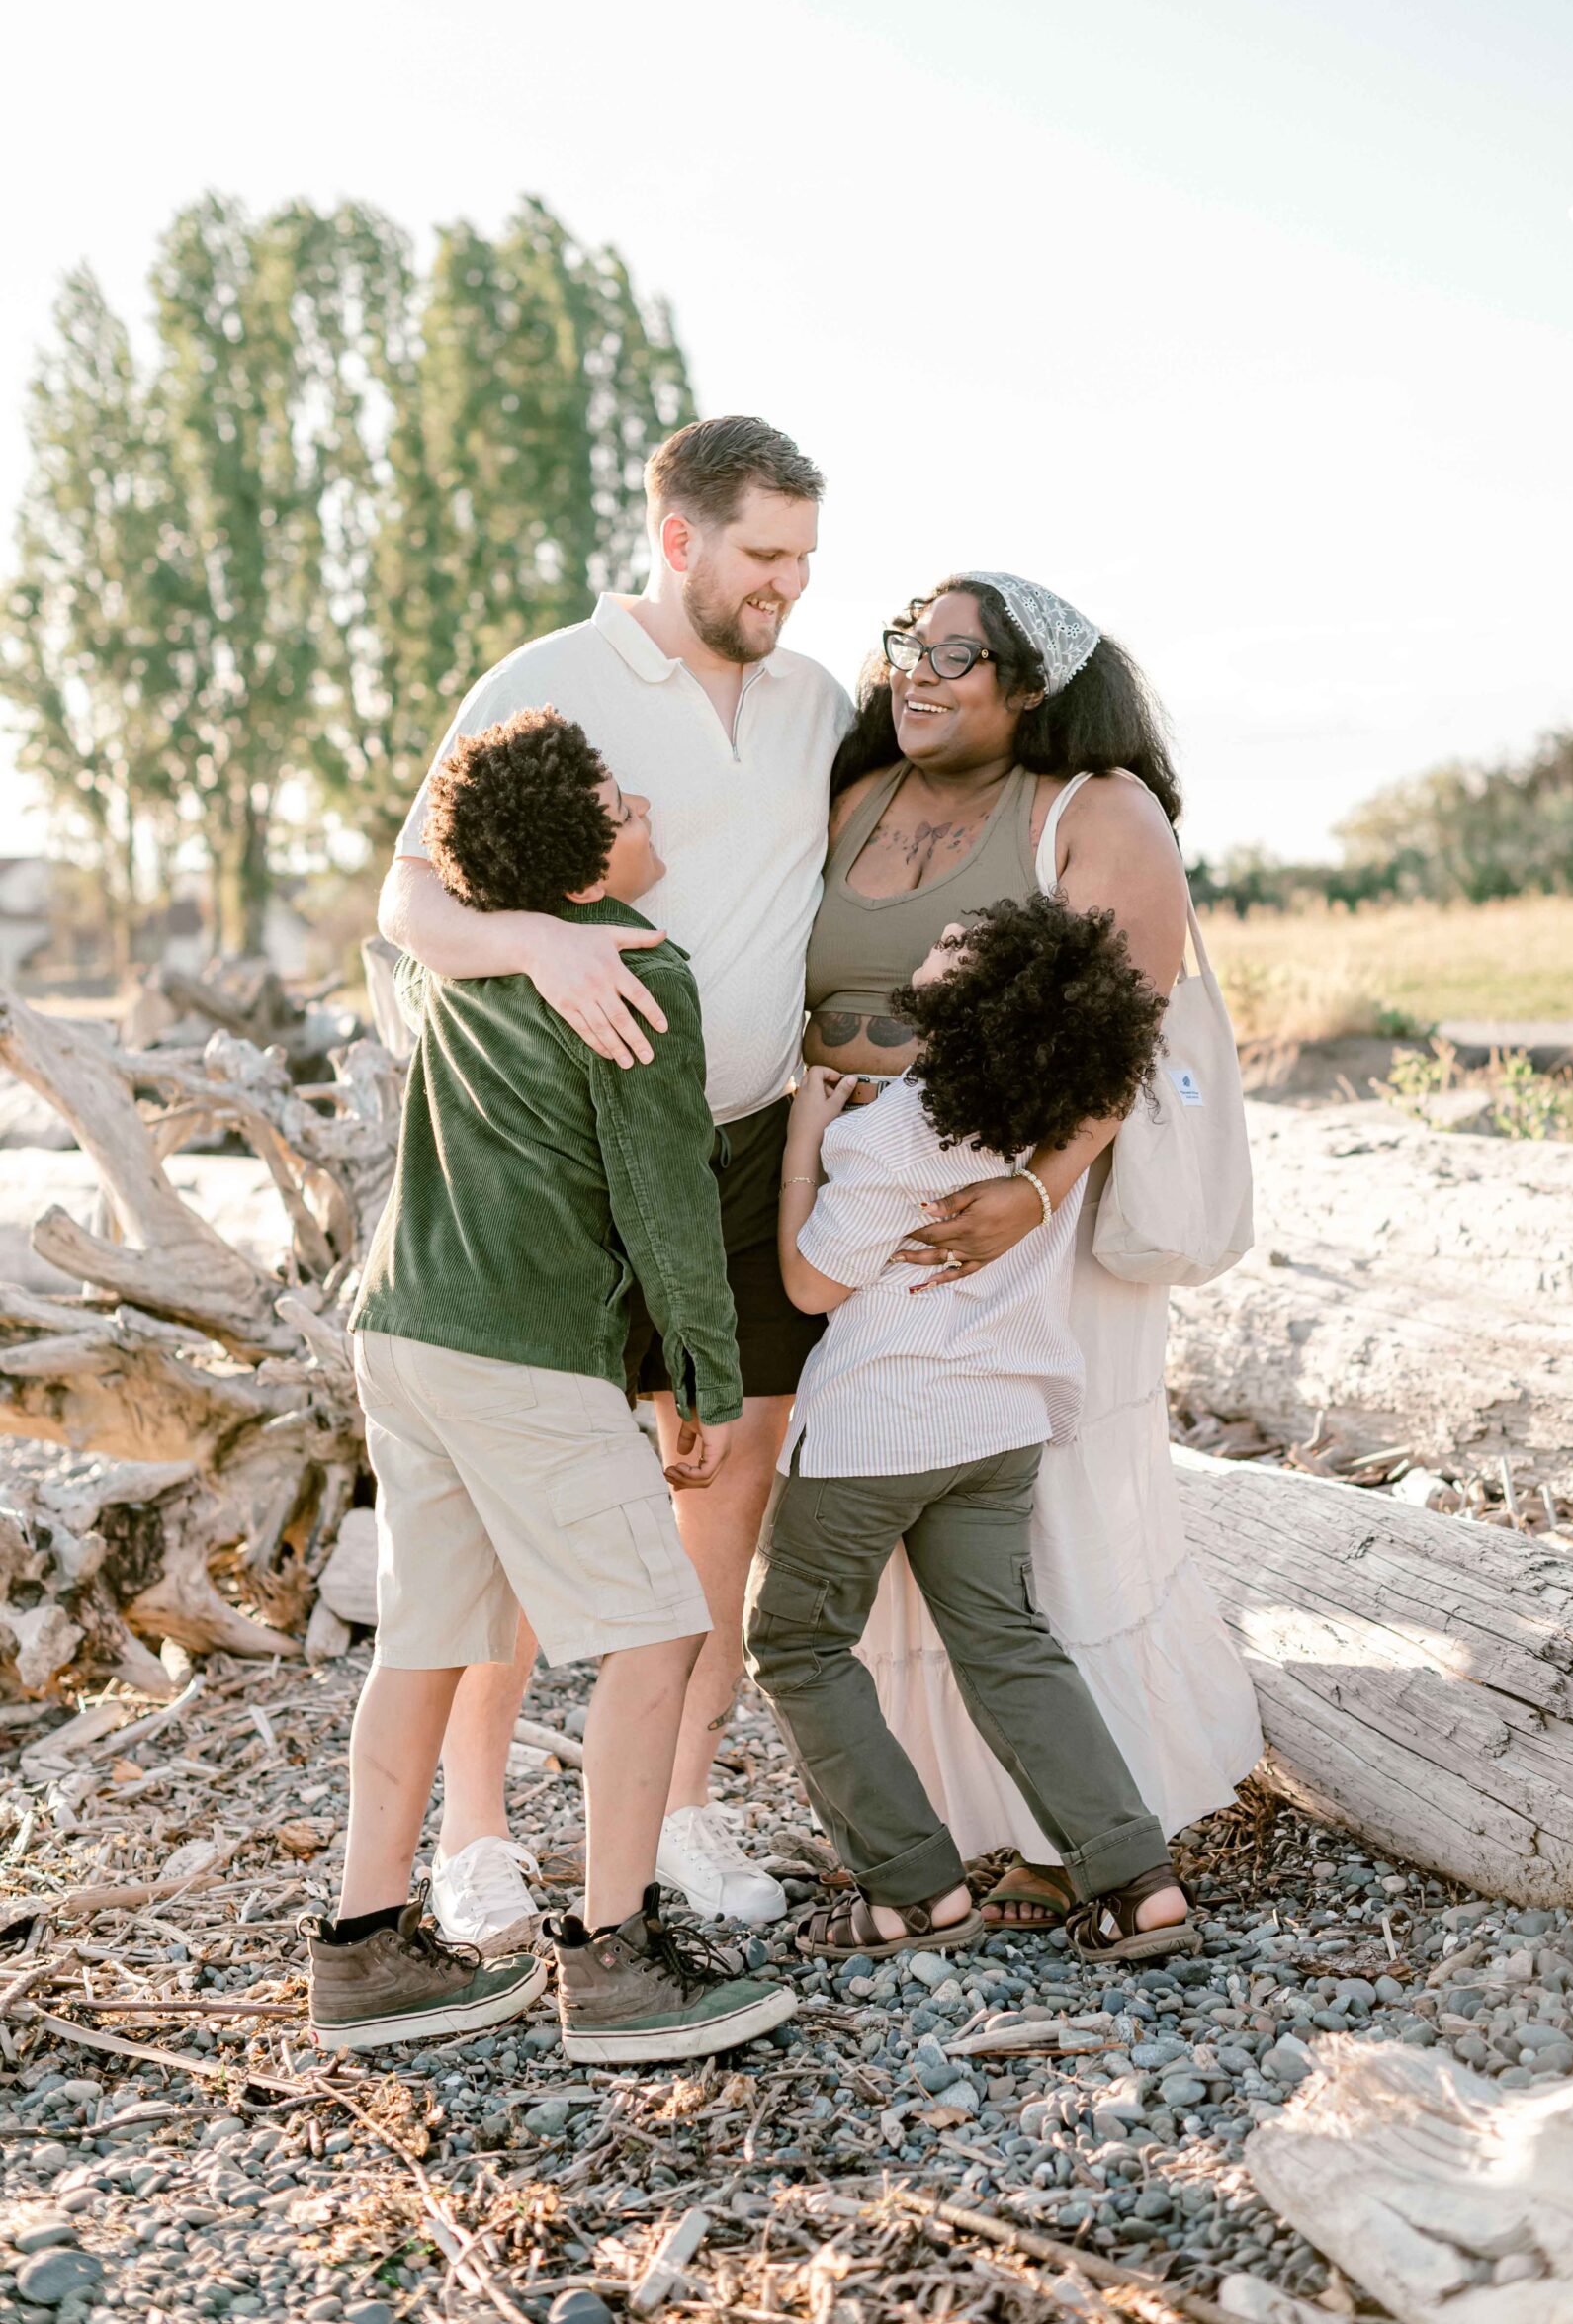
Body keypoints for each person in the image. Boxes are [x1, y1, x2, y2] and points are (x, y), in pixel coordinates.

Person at [376, 416, 853, 1943]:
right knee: (532, 1500)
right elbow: (409, 895)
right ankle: (478, 1835)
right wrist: (535, 937)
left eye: (803, 559)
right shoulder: (543, 682)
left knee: (728, 1487)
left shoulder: (817, 703)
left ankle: (687, 1811)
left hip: (748, 1144)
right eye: (763, 556)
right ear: (679, 539)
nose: (787, 587)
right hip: (575, 1172)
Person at [306, 705, 797, 2062]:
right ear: (581, 852)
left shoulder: (456, 970)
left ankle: (363, 1954)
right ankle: (623, 1964)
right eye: (622, 802)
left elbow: (415, 929)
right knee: (653, 1634)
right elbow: (666, 1200)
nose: (647, 813)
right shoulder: (638, 970)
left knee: (429, 1632)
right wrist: (701, 1372)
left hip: (401, 1330)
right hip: (521, 1347)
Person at [803, 571, 1261, 1931]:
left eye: (960, 655)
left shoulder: (1097, 812)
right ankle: (960, 1818)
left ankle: (1103, 1826)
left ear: (1030, 687)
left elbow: (1124, 1026)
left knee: (1053, 1516)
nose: (918, 674)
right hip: (872, 1203)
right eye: (907, 646)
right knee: (899, 1530)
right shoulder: (856, 799)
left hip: (1031, 1225)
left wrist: (1038, 1191)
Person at [746, 897, 1194, 1962]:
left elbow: (810, 1285)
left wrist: (805, 1145)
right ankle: (1134, 1877)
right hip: (997, 1425)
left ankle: (912, 1889)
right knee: (1004, 1641)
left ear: (977, 1004)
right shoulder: (1047, 1122)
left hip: (874, 1433)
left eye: (953, 945)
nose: (933, 944)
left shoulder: (893, 1132)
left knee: (797, 1642)